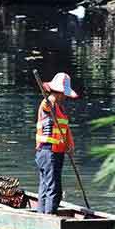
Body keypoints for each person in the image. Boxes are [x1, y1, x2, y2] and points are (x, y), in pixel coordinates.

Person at [34, 72, 78, 214]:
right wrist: (50, 99)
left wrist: (70, 145)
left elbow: (66, 129)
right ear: (58, 92)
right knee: (53, 189)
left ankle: (43, 214)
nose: (65, 97)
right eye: (63, 94)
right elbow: (47, 106)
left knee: (47, 187)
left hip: (57, 153)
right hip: (47, 152)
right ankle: (49, 217)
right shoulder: (48, 104)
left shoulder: (61, 109)